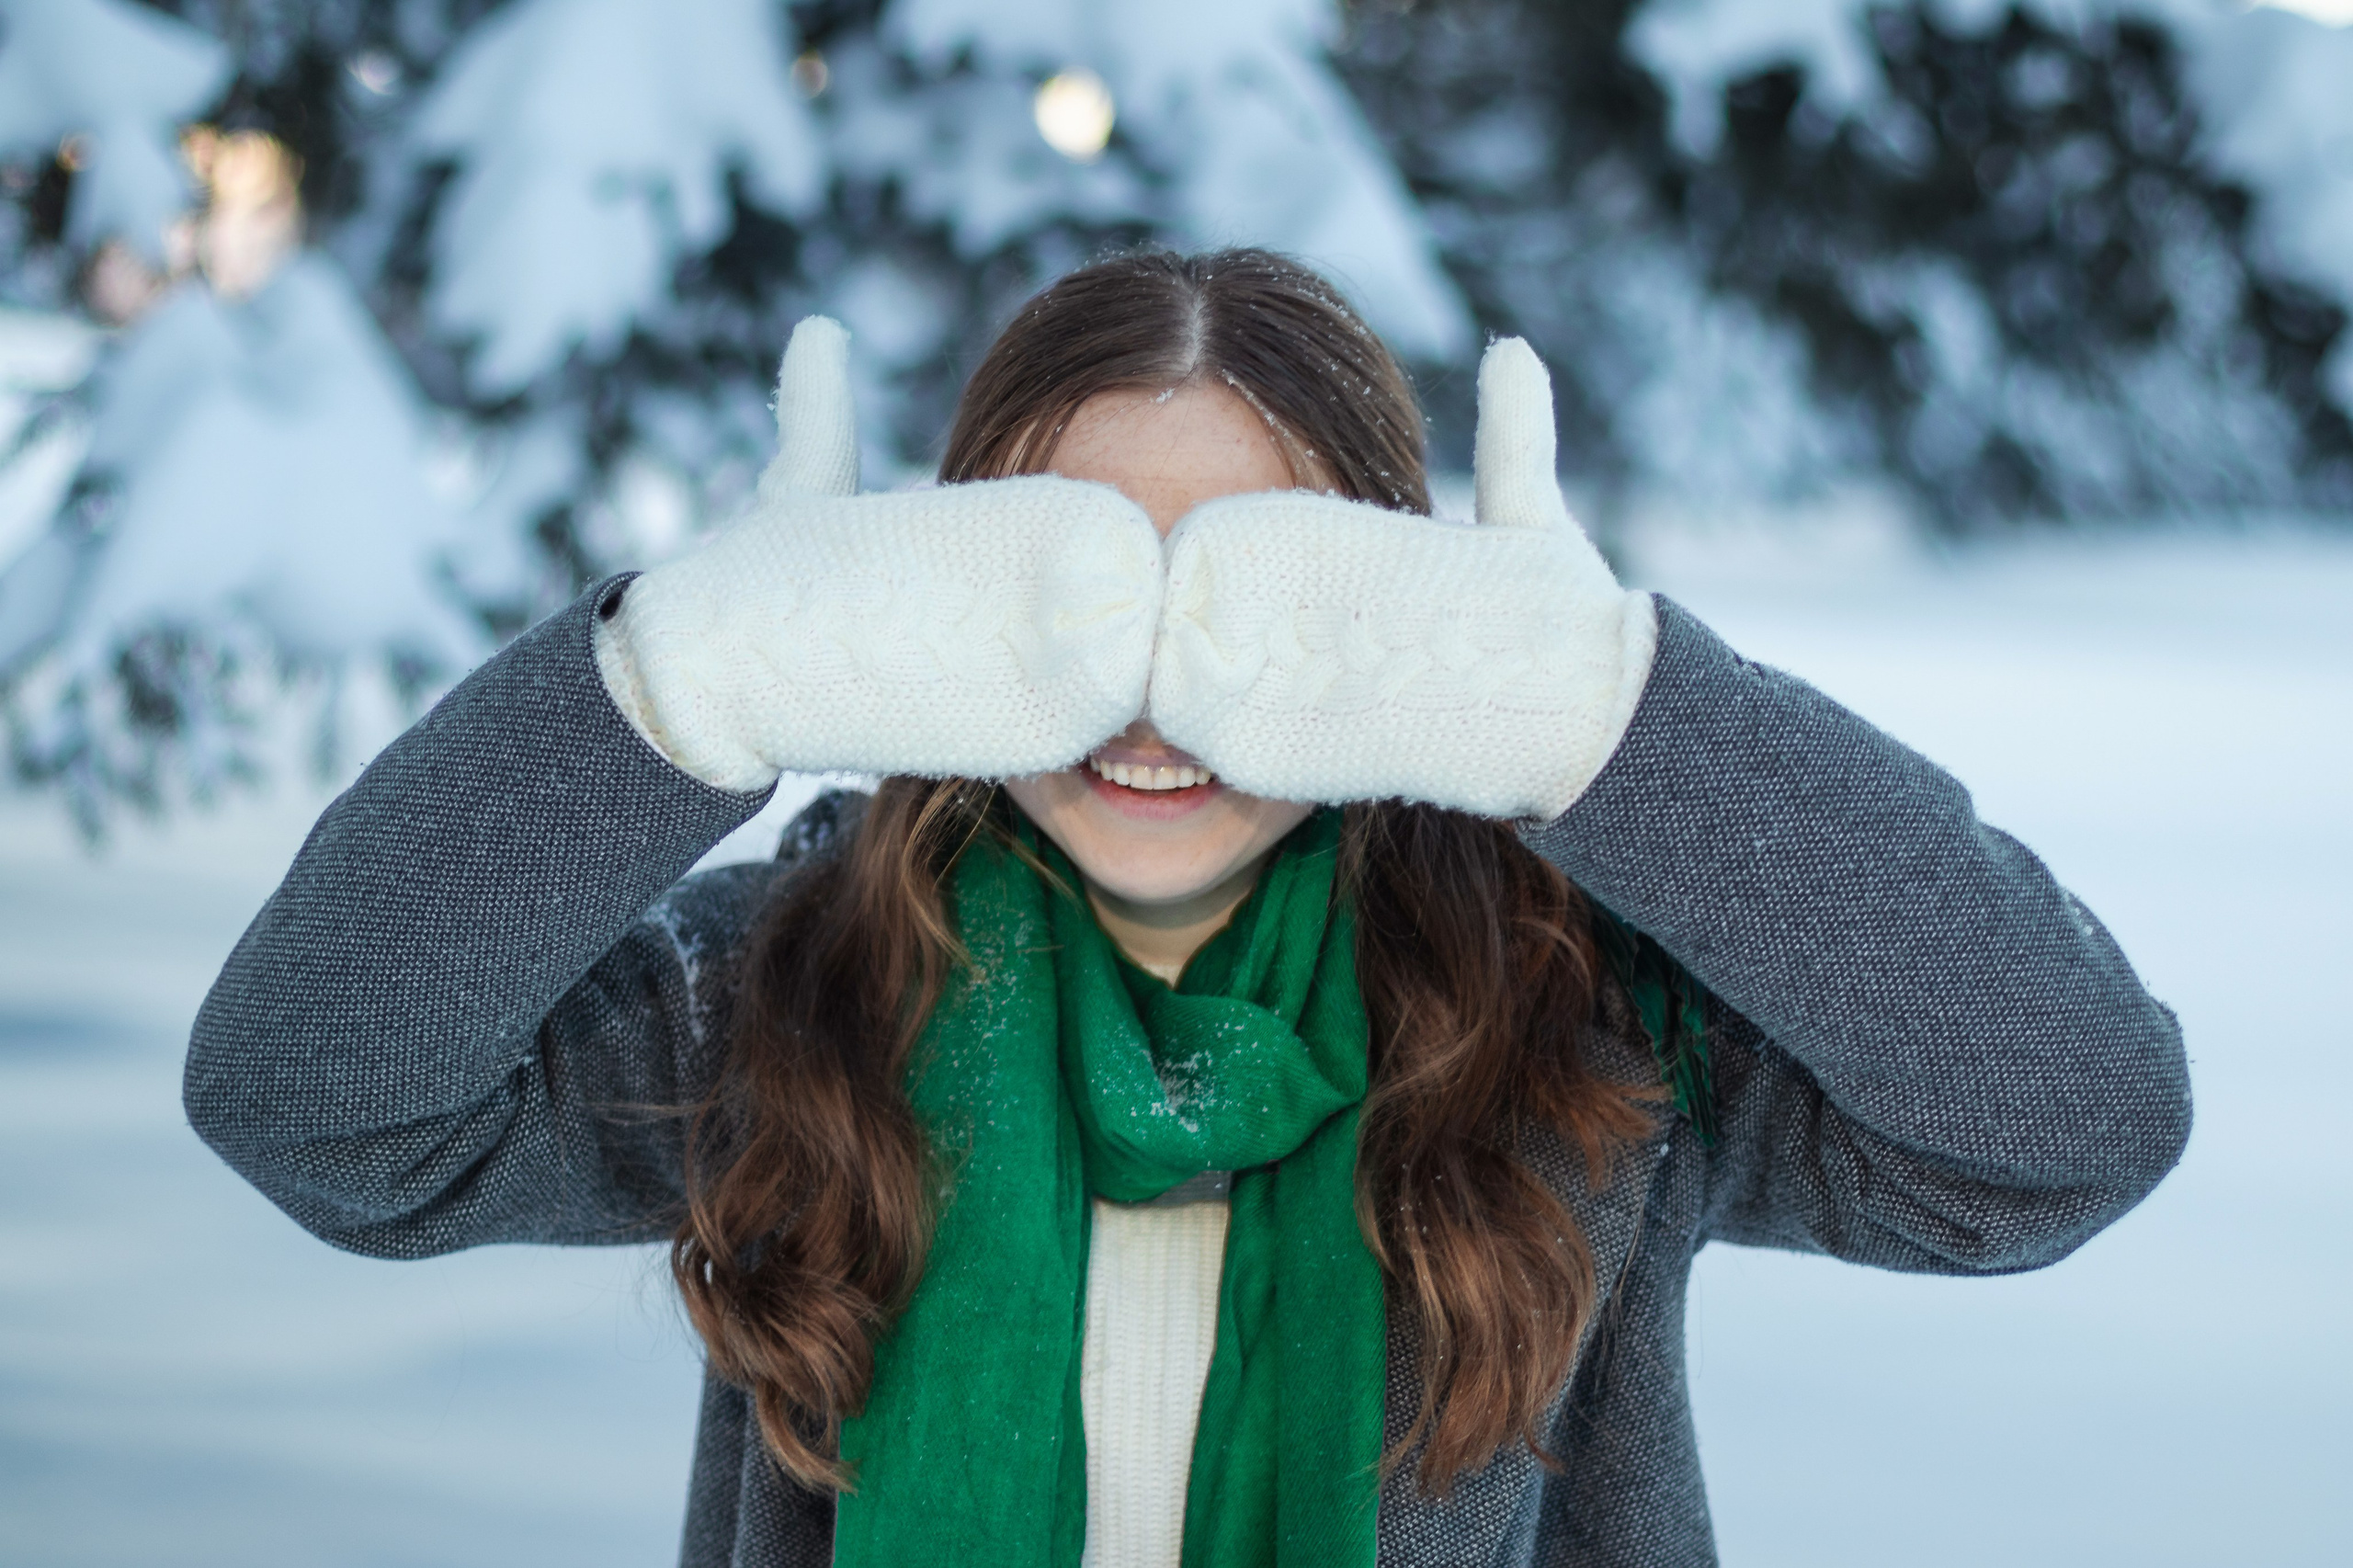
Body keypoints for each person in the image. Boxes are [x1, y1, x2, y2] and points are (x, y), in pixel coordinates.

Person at [186, 249, 2190, 1568]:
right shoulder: (797, 980)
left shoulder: (1568, 1015)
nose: (1153, 691)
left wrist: (1613, 723)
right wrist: (665, 694)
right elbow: (320, 1101)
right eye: (1074, 583)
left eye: (1254, 585)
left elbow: (2060, 1121)